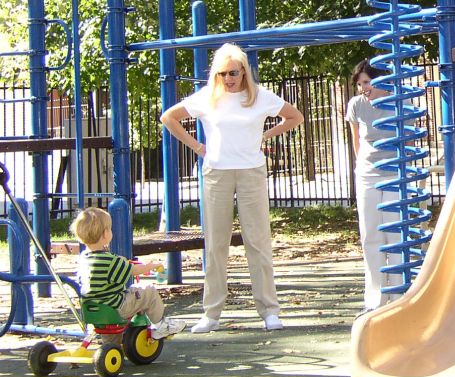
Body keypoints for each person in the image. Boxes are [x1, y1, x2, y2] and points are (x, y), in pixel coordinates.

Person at [160, 43, 303, 333]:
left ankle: (269, 311)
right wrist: (198, 147)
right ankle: (211, 313)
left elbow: (295, 116)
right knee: (216, 244)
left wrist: (267, 134)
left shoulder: (260, 96)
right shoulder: (207, 97)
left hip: (251, 172)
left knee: (258, 241)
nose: (228, 79)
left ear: (244, 72)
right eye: (222, 74)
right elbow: (169, 117)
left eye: (233, 73)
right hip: (217, 173)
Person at [70, 206, 185, 339]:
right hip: (116, 307)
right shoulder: (110, 260)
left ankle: (112, 345)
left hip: (93, 308)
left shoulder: (83, 259)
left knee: (111, 335)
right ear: (105, 234)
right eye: (110, 228)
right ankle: (161, 325)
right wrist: (151, 266)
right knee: (148, 291)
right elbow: (133, 270)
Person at [346, 59, 403, 314]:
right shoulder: (356, 105)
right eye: (360, 84)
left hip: (393, 174)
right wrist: (362, 167)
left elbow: (408, 139)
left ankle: (400, 296)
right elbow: (357, 141)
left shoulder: (398, 102)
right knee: (370, 235)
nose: (363, 88)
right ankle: (374, 299)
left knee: (394, 234)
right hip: (367, 174)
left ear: (380, 80)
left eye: (367, 82)